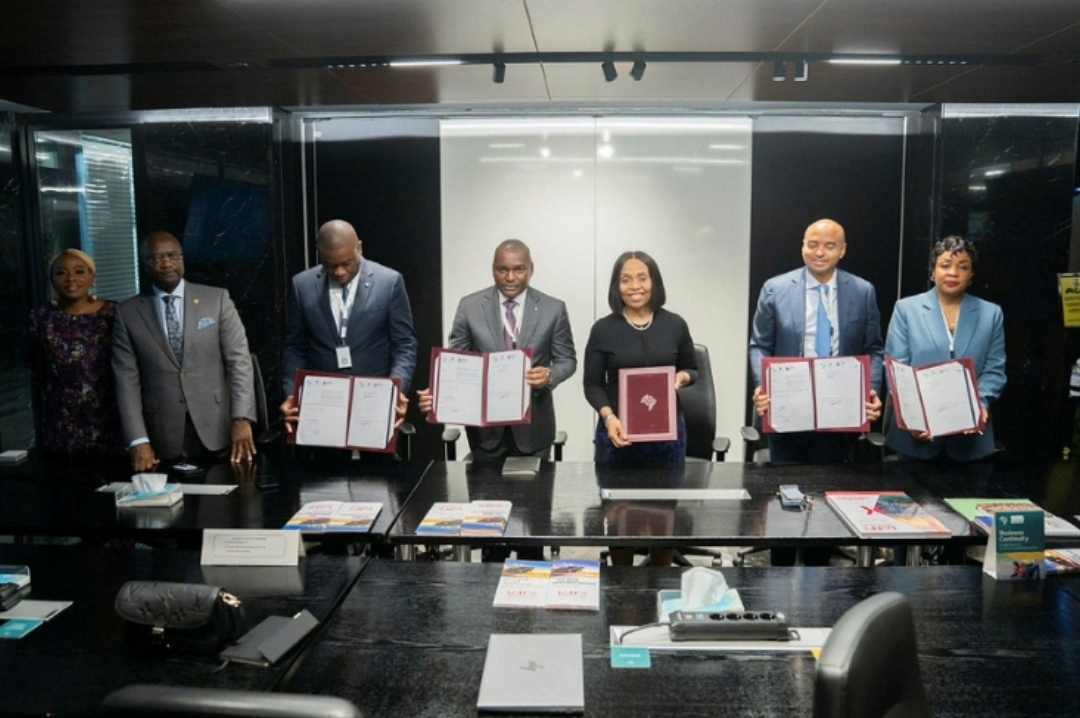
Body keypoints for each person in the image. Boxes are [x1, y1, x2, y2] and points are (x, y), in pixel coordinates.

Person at [584, 251, 697, 566]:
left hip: (667, 437)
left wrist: (683, 377)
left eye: (642, 278)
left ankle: (660, 581)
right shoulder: (603, 329)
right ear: (616, 286)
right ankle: (622, 584)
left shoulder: (674, 324)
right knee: (618, 515)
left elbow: (692, 368)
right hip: (618, 434)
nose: (634, 286)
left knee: (663, 515)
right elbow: (592, 384)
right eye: (626, 279)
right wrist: (608, 416)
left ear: (654, 282)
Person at [417, 239, 577, 461]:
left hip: (534, 429)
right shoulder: (469, 307)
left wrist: (548, 375)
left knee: (534, 485)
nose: (510, 277)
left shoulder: (553, 309)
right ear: (493, 269)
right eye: (502, 269)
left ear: (531, 269)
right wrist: (439, 395)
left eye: (519, 269)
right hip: (485, 432)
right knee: (485, 485)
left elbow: (567, 360)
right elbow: (458, 363)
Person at [112, 231, 256, 471]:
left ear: (182, 259)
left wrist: (241, 418)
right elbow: (126, 381)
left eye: (172, 256)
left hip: (219, 430)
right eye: (157, 258)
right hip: (161, 436)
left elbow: (239, 362)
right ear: (145, 264)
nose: (166, 263)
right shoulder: (127, 313)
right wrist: (138, 440)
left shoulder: (216, 299)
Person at [749, 218, 884, 464]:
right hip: (788, 407)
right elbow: (759, 345)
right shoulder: (775, 289)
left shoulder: (862, 291)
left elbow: (873, 348)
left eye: (829, 246)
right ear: (803, 246)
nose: (819, 252)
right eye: (812, 245)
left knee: (832, 481)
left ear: (842, 250)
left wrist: (871, 389)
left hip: (840, 411)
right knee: (787, 482)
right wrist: (763, 385)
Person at [280, 219, 417, 434]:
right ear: (320, 253)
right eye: (330, 265)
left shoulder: (389, 282)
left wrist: (396, 388)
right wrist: (292, 393)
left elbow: (405, 344)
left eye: (347, 263)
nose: (339, 272)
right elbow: (295, 346)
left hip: (374, 400)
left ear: (359, 248)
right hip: (322, 404)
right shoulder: (302, 285)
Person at [884, 235, 1005, 461]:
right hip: (916, 437)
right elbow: (897, 369)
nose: (953, 273)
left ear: (971, 274)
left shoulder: (991, 314)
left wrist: (979, 403)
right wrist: (914, 417)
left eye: (963, 267)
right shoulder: (906, 309)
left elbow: (994, 370)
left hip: (971, 439)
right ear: (933, 271)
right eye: (945, 265)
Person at [25, 249, 123, 458]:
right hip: (61, 419)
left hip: (109, 414)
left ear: (92, 276)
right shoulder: (40, 317)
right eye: (61, 273)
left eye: (79, 271)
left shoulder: (113, 313)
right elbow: (37, 369)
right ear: (51, 280)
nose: (71, 278)